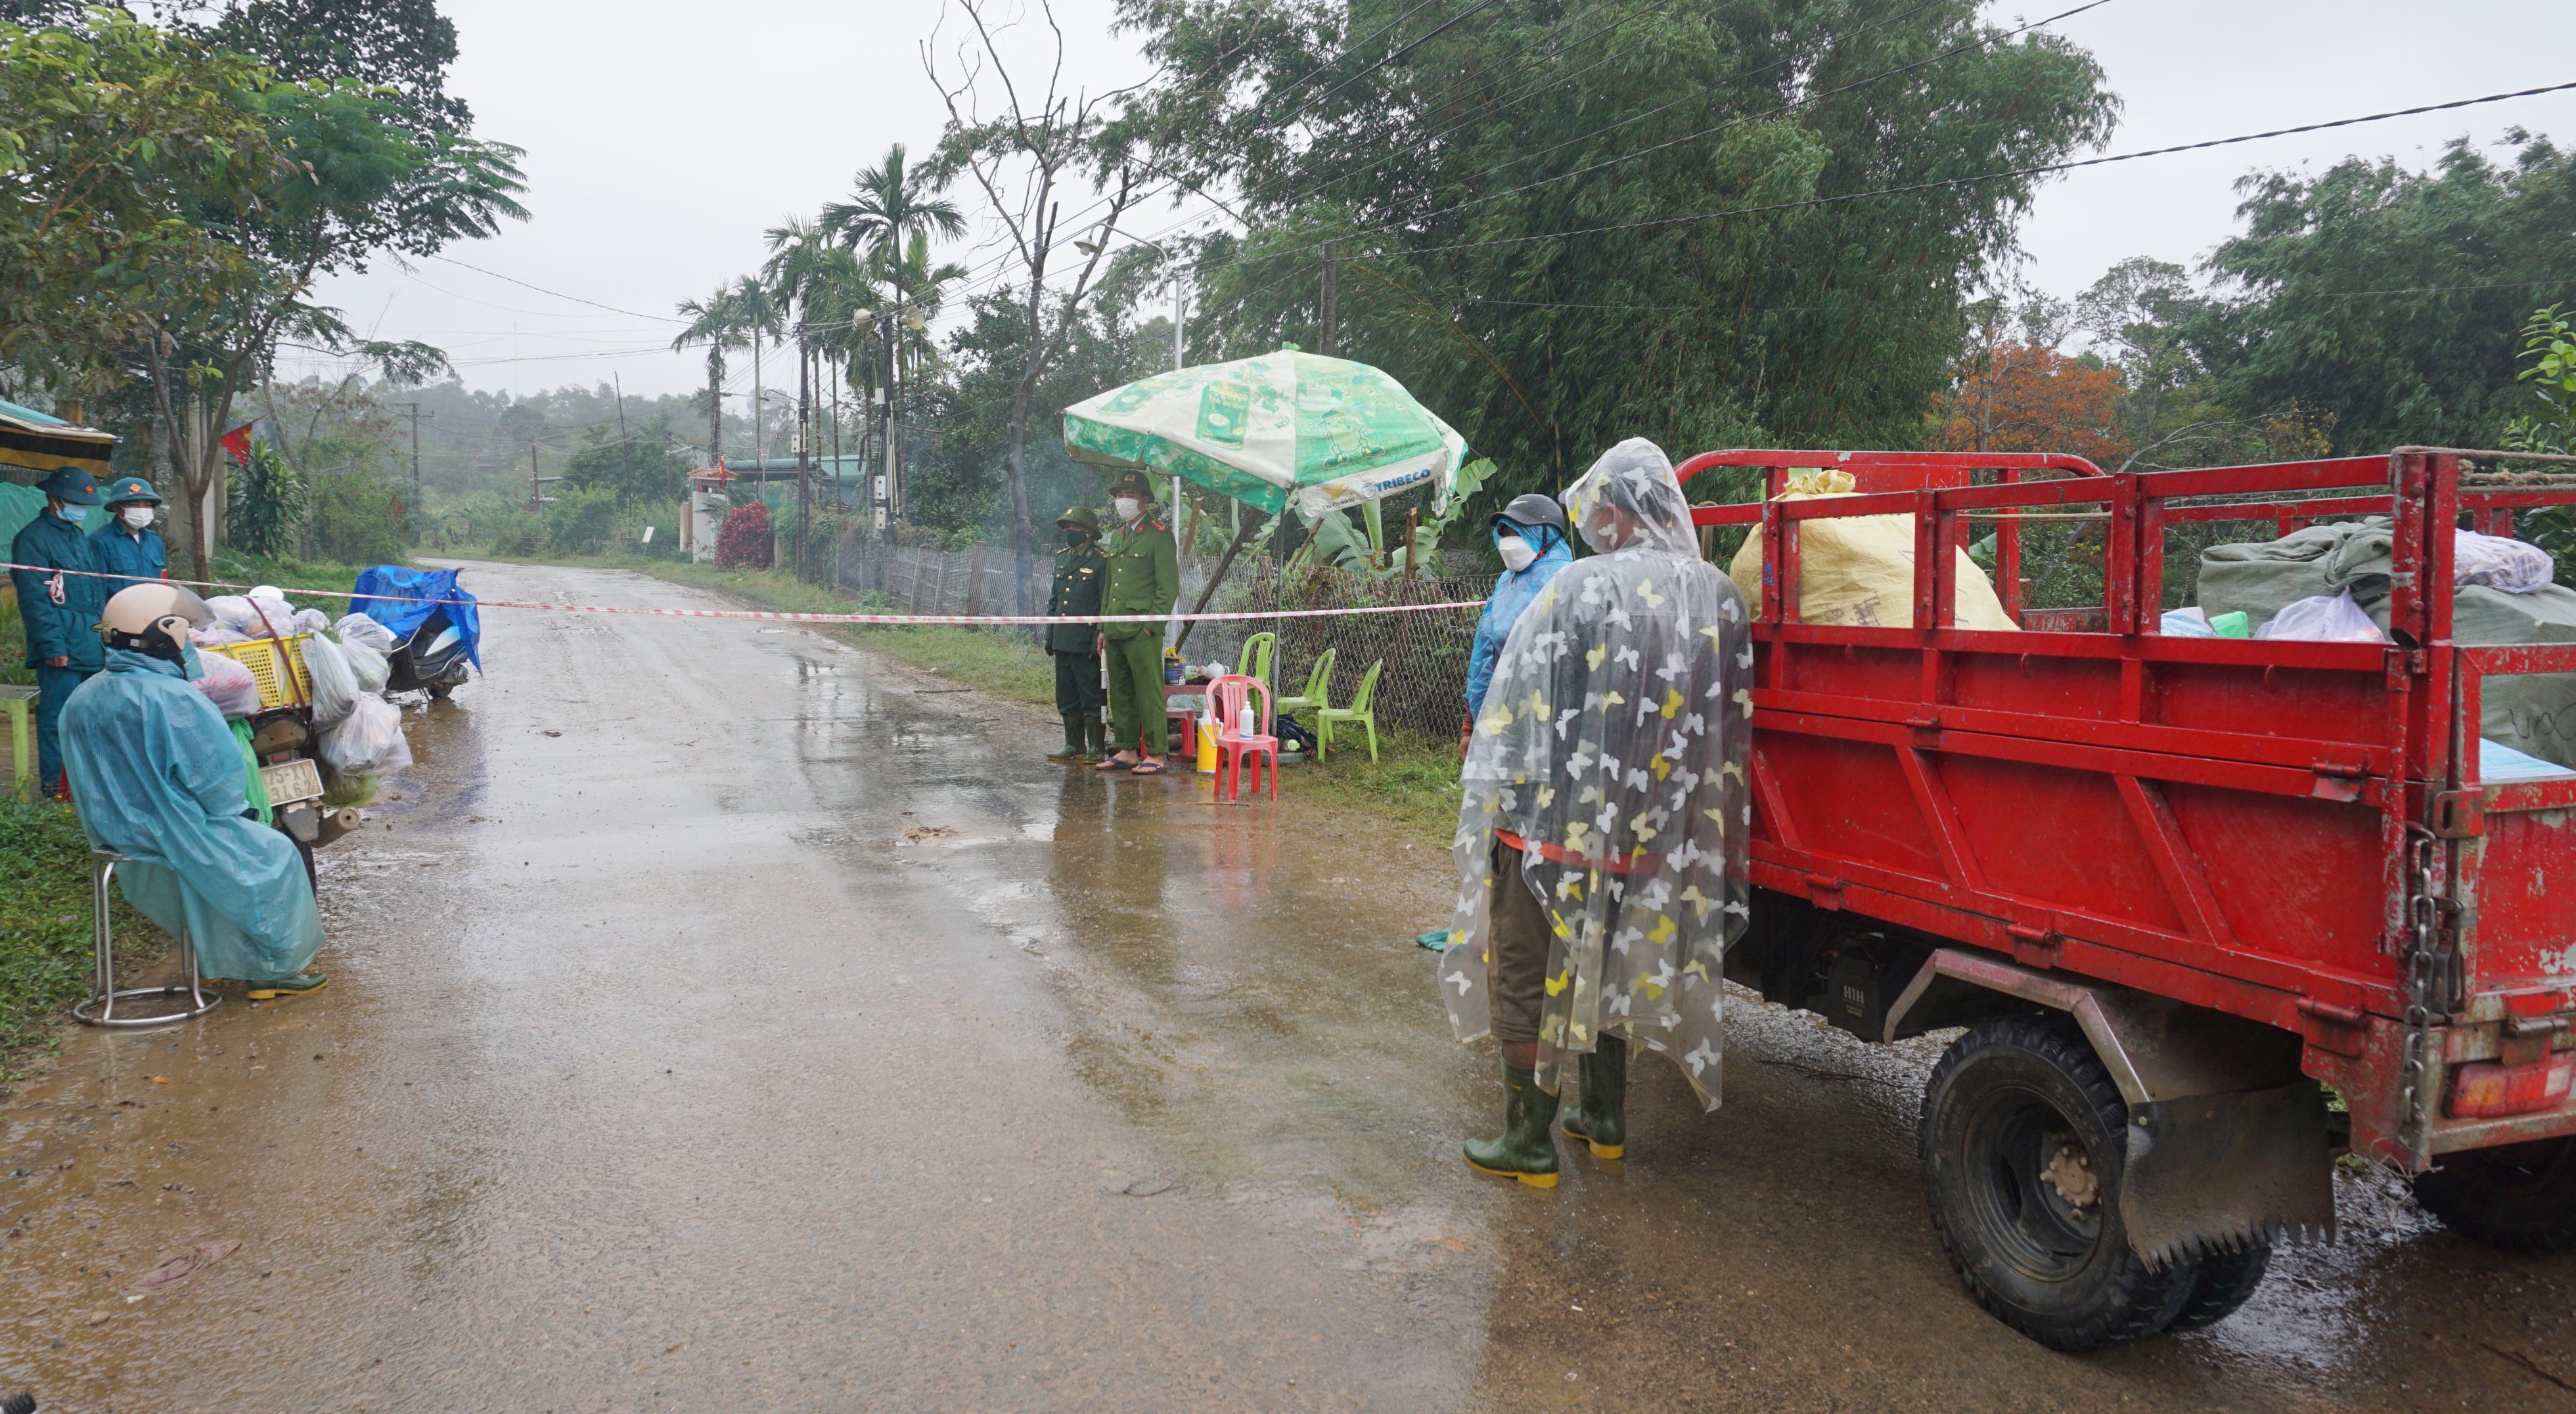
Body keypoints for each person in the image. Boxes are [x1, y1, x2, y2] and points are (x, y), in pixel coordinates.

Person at [1439, 437, 1753, 1187]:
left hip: (1553, 827)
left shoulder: (1580, 586)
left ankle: (1528, 1141)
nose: (1593, 525)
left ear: (1618, 510)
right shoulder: (1717, 595)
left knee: (1526, 978)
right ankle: (1603, 1119)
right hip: (1650, 836)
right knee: (1606, 967)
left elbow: (1520, 704)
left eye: (1598, 511)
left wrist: (1493, 800)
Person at [60, 583, 327, 998]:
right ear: (163, 634)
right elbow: (218, 786)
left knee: (219, 862)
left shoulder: (83, 695)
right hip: (173, 831)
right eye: (184, 632)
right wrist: (238, 814)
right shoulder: (174, 698)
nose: (188, 643)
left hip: (111, 834)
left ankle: (217, 959)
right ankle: (271, 970)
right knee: (275, 856)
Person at [11, 464, 109, 798]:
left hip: (91, 645)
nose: (81, 509)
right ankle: (56, 788)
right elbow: (35, 600)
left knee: (89, 719)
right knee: (57, 721)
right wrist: (53, 647)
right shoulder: (33, 539)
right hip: (62, 650)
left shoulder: (77, 536)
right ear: (54, 498)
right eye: (76, 501)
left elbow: (94, 594)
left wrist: (104, 637)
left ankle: (85, 785)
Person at [1463, 492, 1577, 743]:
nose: (1509, 542)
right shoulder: (1507, 582)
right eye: (1505, 533)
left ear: (1547, 536)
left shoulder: (1568, 582)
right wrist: (1470, 726)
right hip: (1500, 716)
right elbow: (1485, 653)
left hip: (1552, 721)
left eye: (1519, 532)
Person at [1095, 468, 1179, 776]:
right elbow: (1110, 586)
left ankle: (1155, 753)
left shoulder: (1159, 535)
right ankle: (1127, 749)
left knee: (1148, 692)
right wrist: (1103, 626)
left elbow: (1168, 588)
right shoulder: (1118, 534)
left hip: (1142, 631)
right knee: (1121, 693)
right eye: (1119, 495)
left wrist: (1151, 627)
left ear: (1145, 499)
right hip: (1115, 627)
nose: (1123, 500)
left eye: (1129, 495)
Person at [1045, 505, 1110, 763]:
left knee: (1091, 694)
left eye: (1075, 527)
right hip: (1063, 638)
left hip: (1087, 640)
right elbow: (1055, 600)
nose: (1069, 531)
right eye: (1067, 527)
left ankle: (1096, 747)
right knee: (1066, 693)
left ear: (1089, 531)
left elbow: (1105, 603)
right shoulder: (1062, 558)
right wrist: (1050, 633)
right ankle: (1073, 744)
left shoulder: (1101, 561)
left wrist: (1100, 635)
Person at [88, 475, 168, 592]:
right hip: (118, 604)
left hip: (153, 603)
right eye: (134, 504)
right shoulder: (100, 541)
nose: (142, 509)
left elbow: (163, 581)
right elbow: (97, 588)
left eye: (147, 505)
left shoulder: (155, 541)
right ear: (116, 507)